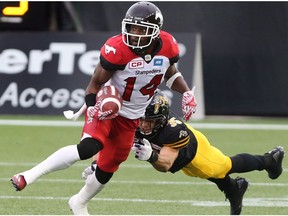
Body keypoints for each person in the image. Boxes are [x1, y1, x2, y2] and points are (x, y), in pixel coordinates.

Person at [10, 2, 197, 215]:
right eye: (131, 28)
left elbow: (170, 74)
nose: (134, 34)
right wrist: (93, 107)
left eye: (140, 30)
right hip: (108, 107)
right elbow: (94, 84)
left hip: (132, 117)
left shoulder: (168, 46)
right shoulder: (117, 49)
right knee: (88, 147)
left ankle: (79, 202)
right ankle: (28, 175)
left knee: (109, 167)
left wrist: (187, 92)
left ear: (155, 32)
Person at [129, 92, 285, 215]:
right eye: (141, 119)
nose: (144, 125)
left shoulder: (173, 132)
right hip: (179, 153)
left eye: (150, 121)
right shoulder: (134, 119)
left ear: (161, 120)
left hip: (194, 152)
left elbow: (165, 164)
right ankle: (234, 188)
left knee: (222, 166)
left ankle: (268, 160)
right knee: (212, 174)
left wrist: (152, 156)